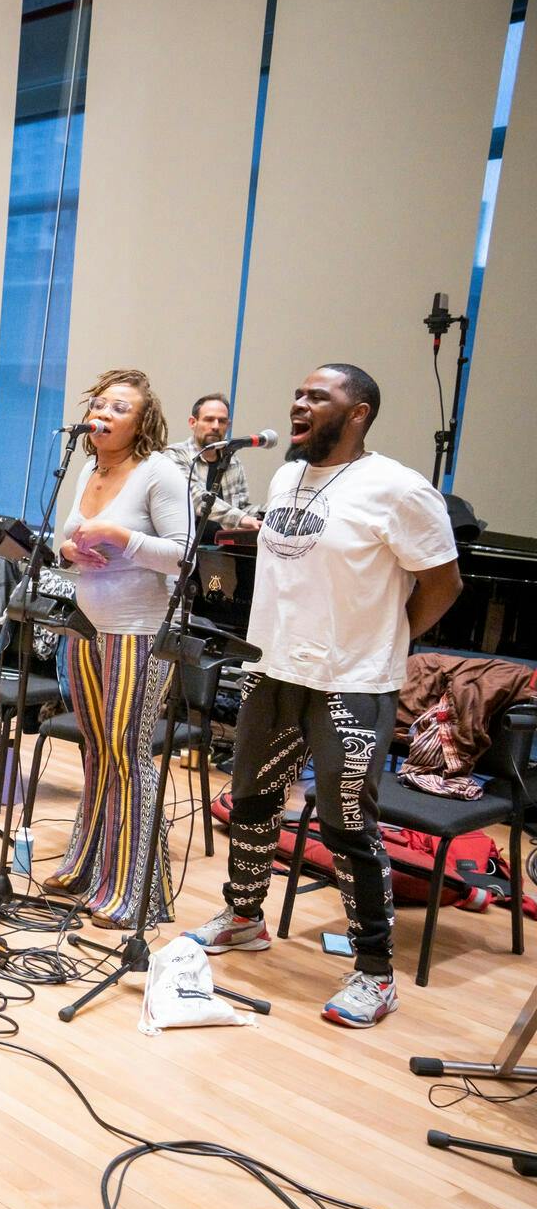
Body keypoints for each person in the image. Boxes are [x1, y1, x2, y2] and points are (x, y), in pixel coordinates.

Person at [185, 364, 462, 1028]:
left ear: (359, 411)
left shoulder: (397, 488)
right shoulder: (287, 475)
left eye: (318, 396)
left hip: (351, 683)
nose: (299, 402)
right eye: (299, 391)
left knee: (345, 826)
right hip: (273, 670)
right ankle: (245, 916)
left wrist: (381, 642)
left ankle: (375, 972)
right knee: (250, 801)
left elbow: (443, 583)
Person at [43, 369, 191, 929]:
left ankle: (138, 892)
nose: (104, 414)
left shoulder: (160, 473)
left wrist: (123, 539)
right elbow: (64, 538)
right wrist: (69, 551)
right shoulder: (87, 467)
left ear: (143, 421)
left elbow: (184, 554)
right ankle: (88, 867)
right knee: (96, 751)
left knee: (128, 753)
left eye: (120, 407)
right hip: (87, 626)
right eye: (100, 404)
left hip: (139, 631)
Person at [161, 392, 261, 530]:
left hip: (222, 546)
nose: (215, 426)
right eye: (209, 419)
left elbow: (241, 508)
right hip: (186, 547)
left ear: (228, 425)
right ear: (193, 422)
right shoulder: (174, 455)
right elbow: (195, 498)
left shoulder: (232, 461)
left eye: (222, 421)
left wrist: (269, 512)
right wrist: (241, 518)